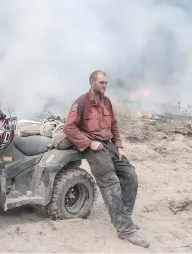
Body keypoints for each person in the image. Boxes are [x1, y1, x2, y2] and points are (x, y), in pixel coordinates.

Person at [63, 70, 150, 248]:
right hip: (94, 147)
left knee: (130, 175)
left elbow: (114, 125)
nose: (105, 86)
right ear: (92, 82)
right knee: (111, 183)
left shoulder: (107, 101)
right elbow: (69, 128)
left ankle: (124, 218)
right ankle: (125, 230)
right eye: (101, 82)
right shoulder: (81, 102)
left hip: (109, 144)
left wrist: (119, 146)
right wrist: (89, 142)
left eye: (106, 83)